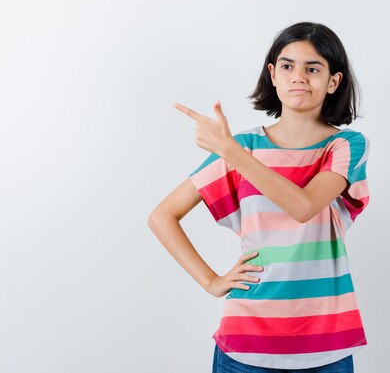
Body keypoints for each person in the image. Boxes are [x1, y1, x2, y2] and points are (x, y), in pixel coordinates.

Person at [148, 21, 370, 372]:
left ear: (333, 81)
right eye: (287, 66)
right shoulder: (244, 146)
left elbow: (303, 206)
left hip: (325, 346)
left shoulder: (345, 145)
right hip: (245, 345)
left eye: (312, 68)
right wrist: (212, 281)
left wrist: (229, 150)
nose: (299, 76)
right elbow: (162, 216)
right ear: (273, 75)